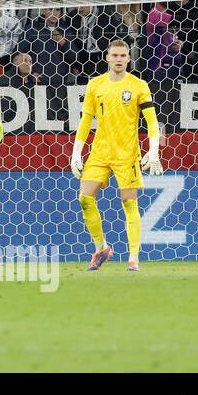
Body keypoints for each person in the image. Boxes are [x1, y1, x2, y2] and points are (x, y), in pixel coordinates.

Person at [70, 38, 162, 273]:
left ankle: (133, 258)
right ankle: (101, 248)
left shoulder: (139, 85)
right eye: (115, 55)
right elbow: (85, 120)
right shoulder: (95, 85)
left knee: (129, 201)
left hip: (127, 154)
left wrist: (153, 151)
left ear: (129, 58)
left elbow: (152, 122)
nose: (119, 59)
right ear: (107, 57)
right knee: (84, 198)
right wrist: (76, 153)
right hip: (99, 152)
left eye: (123, 55)